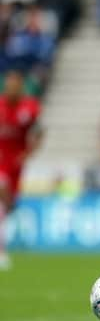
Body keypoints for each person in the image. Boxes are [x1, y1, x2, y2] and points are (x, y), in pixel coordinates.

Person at [0, 70, 42, 269]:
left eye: (15, 85)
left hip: (16, 164)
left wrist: (29, 152)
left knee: (7, 206)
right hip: (1, 161)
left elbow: (39, 131)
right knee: (2, 192)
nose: (11, 89)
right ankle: (2, 251)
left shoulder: (30, 107)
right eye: (8, 85)